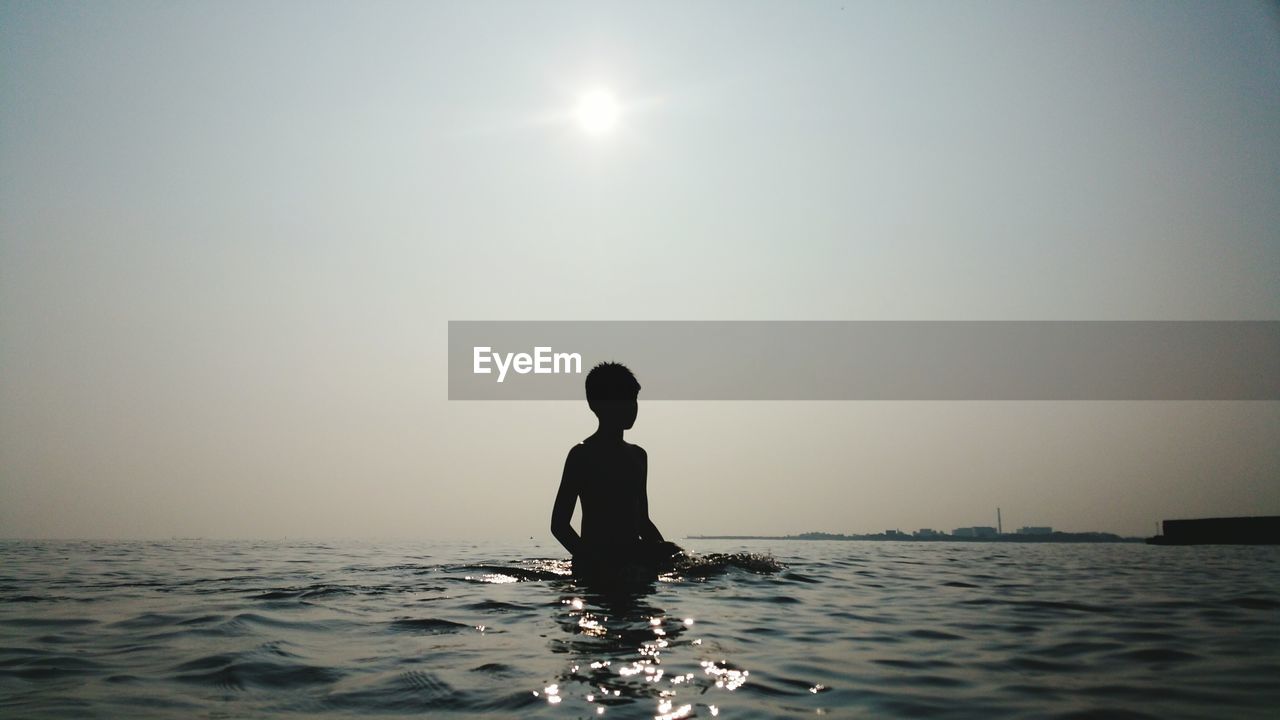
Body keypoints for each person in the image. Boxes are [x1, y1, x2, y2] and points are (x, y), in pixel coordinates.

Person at [551, 361, 682, 579]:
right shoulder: (582, 455)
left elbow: (642, 520)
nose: (631, 407)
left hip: (633, 556)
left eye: (634, 400)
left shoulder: (639, 456)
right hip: (597, 560)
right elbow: (559, 525)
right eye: (623, 400)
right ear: (597, 405)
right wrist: (590, 559)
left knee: (676, 552)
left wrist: (666, 554)